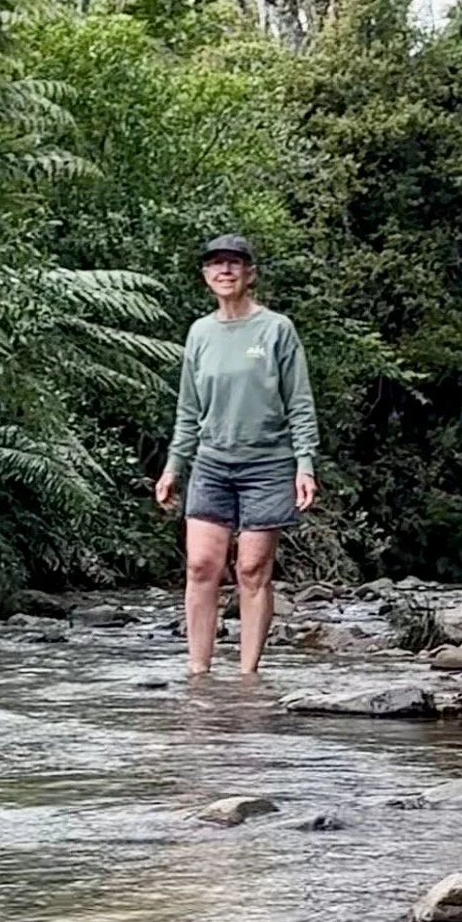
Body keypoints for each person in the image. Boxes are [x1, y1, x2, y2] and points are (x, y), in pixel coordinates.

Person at [155, 234, 319, 676]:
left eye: (234, 264)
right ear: (205, 276)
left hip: (267, 462)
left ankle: (248, 674)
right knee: (201, 565)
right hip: (211, 461)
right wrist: (174, 466)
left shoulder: (276, 329)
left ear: (250, 273)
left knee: (251, 569)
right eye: (215, 265)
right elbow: (188, 409)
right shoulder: (200, 333)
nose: (224, 271)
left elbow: (299, 401)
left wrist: (305, 464)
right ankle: (198, 671)